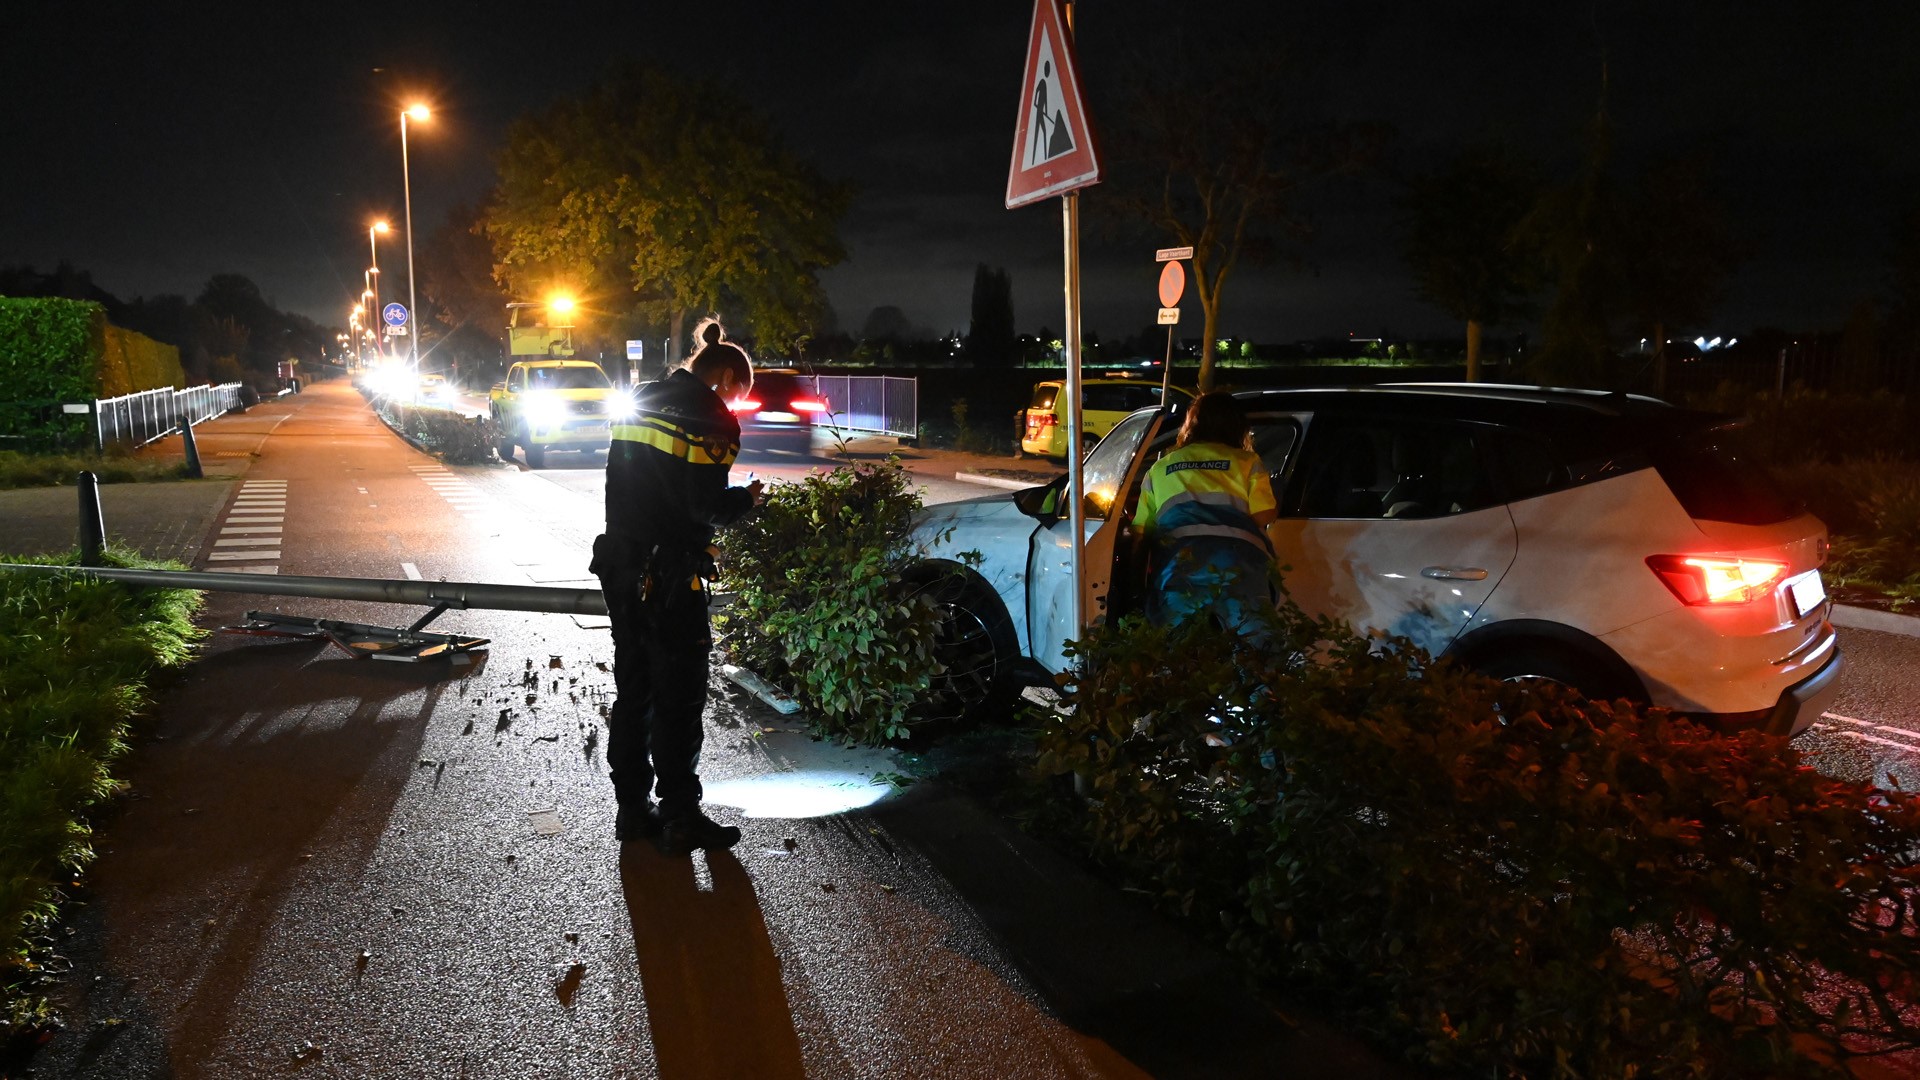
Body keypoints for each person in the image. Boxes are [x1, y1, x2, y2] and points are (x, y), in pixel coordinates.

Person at [590, 318, 764, 855]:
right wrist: (746, 502)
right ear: (728, 376)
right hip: (669, 577)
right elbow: (702, 506)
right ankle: (682, 816)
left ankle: (631, 813)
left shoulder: (641, 397)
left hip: (621, 566)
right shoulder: (712, 417)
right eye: (741, 391)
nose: (739, 402)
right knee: (679, 698)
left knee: (634, 691)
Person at [1131, 392, 1279, 642]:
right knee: (1256, 648)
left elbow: (1141, 531)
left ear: (1190, 425)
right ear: (1237, 426)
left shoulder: (1160, 468)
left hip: (1179, 567)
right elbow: (1264, 513)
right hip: (1238, 565)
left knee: (1174, 646)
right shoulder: (1247, 461)